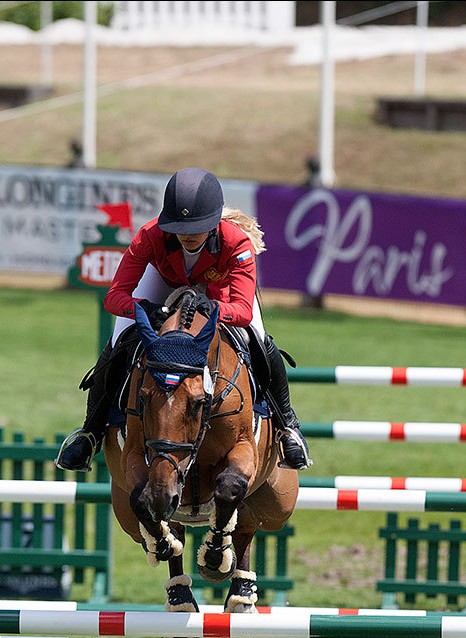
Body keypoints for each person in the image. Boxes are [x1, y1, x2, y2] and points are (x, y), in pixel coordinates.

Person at [56, 167, 311, 472]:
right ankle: (91, 431)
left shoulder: (236, 243)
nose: (189, 234)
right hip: (166, 281)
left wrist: (212, 310)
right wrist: (147, 310)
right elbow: (115, 297)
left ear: (215, 223)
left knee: (260, 339)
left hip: (222, 292)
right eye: (180, 226)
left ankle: (287, 427)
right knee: (119, 339)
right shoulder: (150, 236)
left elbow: (242, 311)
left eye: (198, 226)